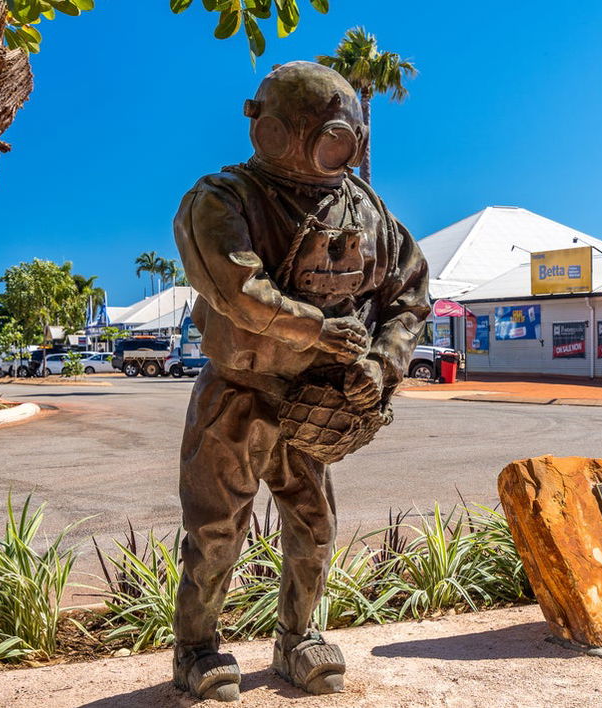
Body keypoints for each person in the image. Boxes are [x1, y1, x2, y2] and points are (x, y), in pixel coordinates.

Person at [170, 61, 429, 701]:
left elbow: (410, 295)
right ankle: (197, 648)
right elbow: (239, 290)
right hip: (237, 391)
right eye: (314, 133)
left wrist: (382, 363)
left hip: (316, 399)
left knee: (313, 525)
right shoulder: (221, 198)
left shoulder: (365, 209)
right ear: (273, 129)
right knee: (214, 530)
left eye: (339, 136)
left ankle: (299, 638)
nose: (329, 148)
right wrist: (316, 329)